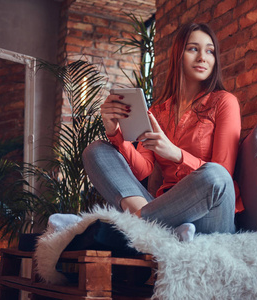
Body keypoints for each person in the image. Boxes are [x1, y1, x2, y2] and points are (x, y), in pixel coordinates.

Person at [82, 23, 242, 240]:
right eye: (193, 48)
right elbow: (142, 170)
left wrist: (175, 153)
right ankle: (161, 227)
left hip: (210, 212)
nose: (203, 57)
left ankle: (135, 225)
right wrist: (116, 134)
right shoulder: (157, 112)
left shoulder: (224, 102)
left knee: (217, 176)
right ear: (178, 55)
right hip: (162, 207)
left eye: (210, 51)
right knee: (96, 151)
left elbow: (223, 174)